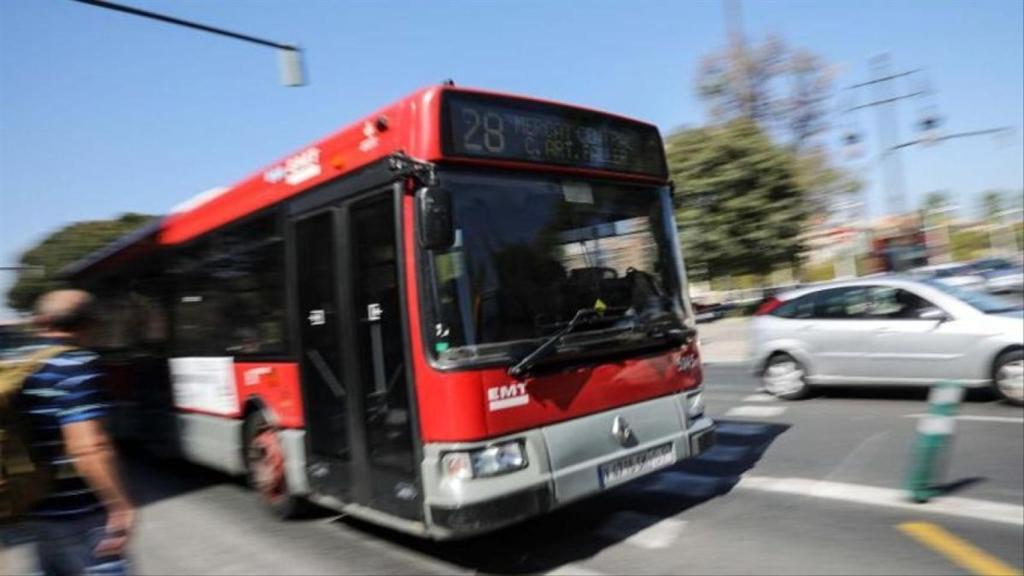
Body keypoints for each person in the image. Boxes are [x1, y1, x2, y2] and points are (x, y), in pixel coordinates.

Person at [17, 289, 135, 575]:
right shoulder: (77, 366)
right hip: (81, 515)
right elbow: (88, 447)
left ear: (41, 323)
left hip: (35, 507)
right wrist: (119, 506)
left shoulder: (21, 365)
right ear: (89, 326)